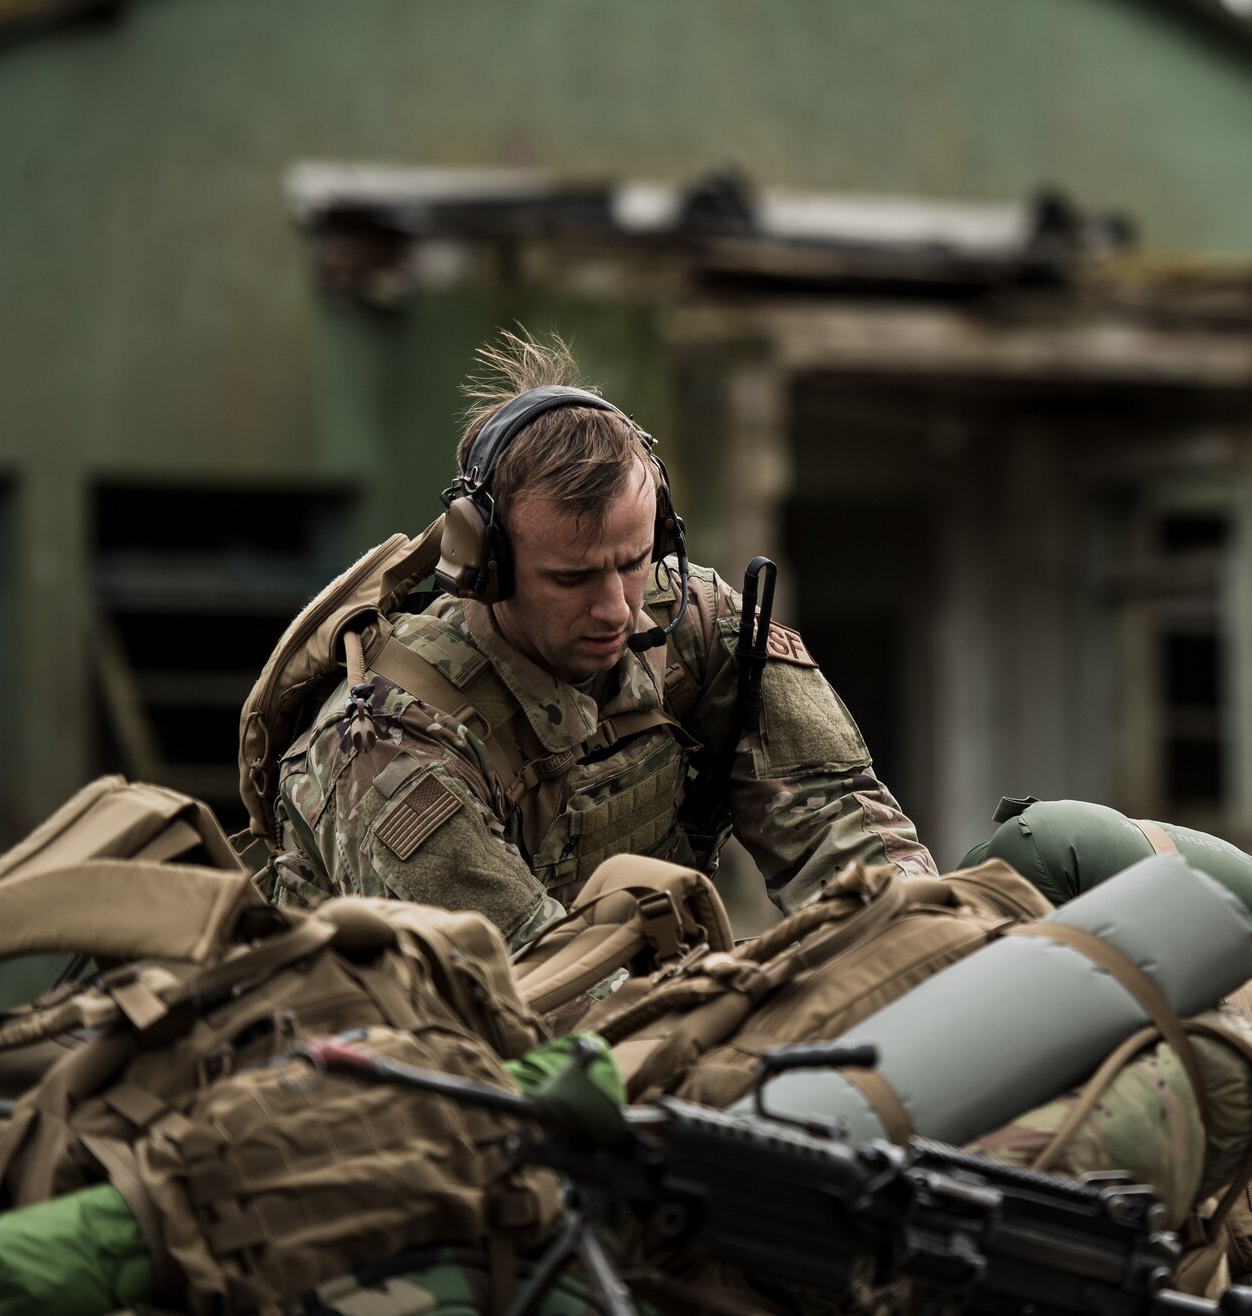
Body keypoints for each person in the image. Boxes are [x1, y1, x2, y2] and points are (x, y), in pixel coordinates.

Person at [267, 331, 935, 950]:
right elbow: (528, 984)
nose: (617, 608)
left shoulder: (698, 626)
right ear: (486, 567)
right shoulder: (391, 745)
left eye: (633, 560)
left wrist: (911, 944)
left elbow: (840, 821)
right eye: (572, 577)